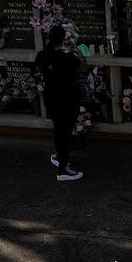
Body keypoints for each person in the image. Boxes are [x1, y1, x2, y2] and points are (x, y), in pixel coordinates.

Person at [36, 24, 83, 182]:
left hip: (51, 98)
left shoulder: (42, 55)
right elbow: (83, 66)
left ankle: (58, 155)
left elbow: (39, 70)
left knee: (58, 129)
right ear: (63, 40)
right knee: (65, 133)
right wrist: (76, 51)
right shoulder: (67, 58)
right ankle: (63, 169)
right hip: (67, 99)